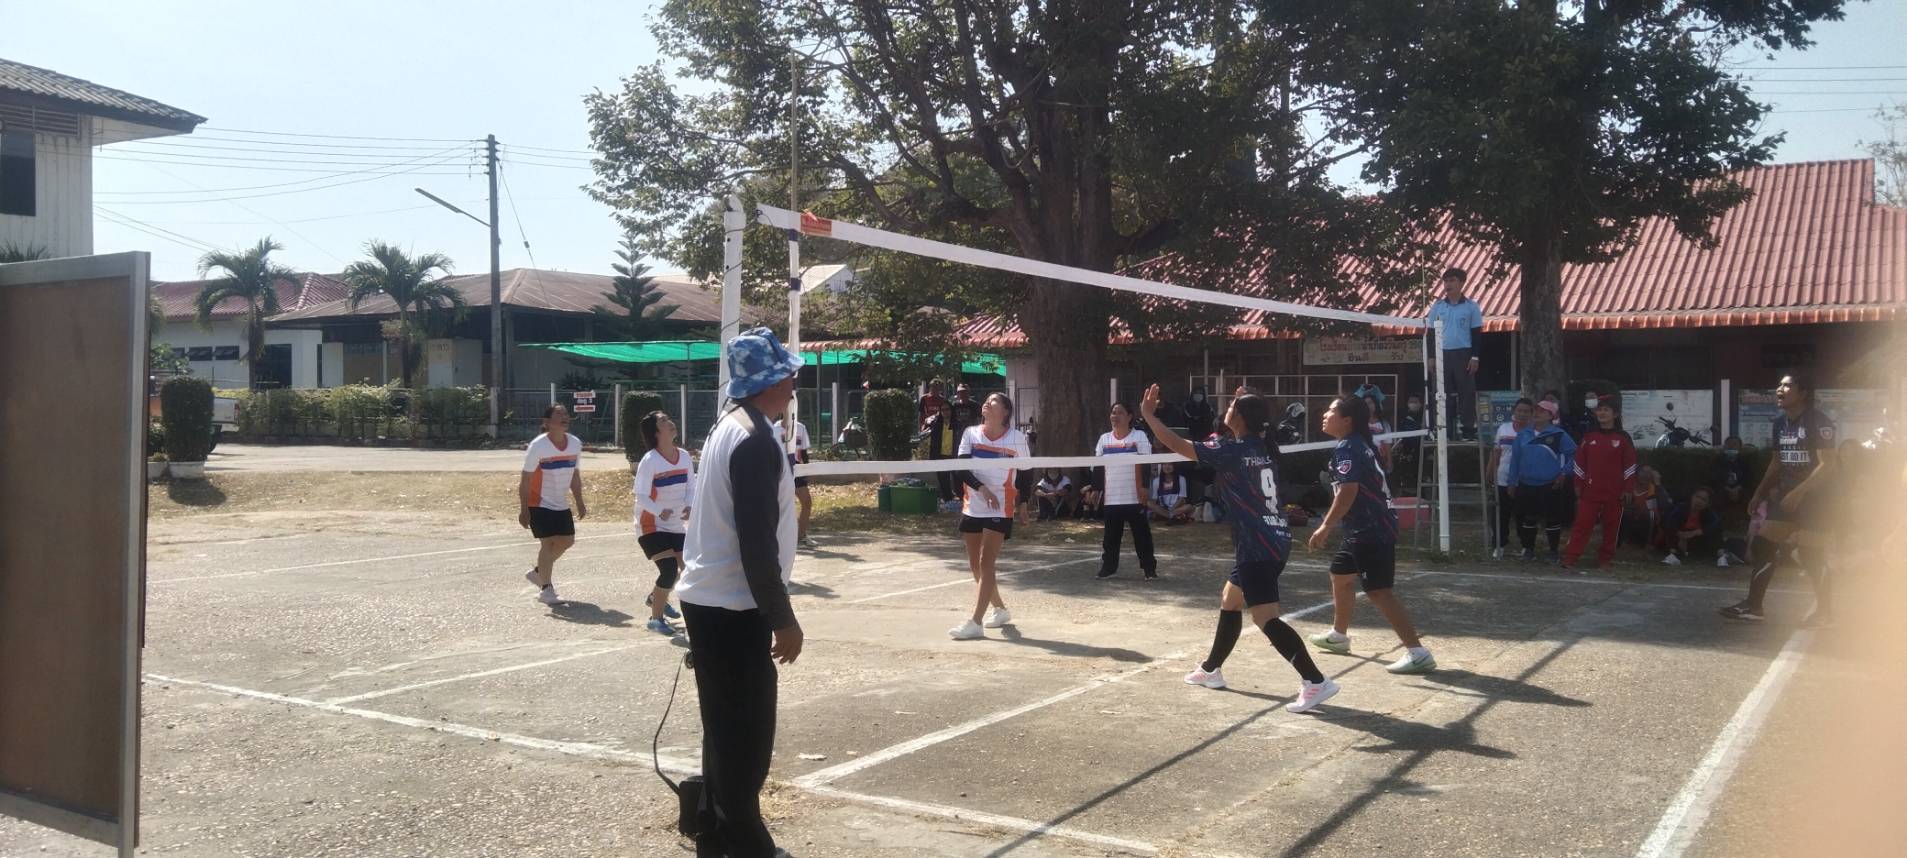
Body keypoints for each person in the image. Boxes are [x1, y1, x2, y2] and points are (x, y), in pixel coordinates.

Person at [674, 327, 804, 858]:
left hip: (715, 600)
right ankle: (747, 843)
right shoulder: (753, 439)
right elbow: (756, 543)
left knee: (723, 727)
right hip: (733, 605)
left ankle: (714, 832)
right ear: (770, 382)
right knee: (746, 738)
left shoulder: (730, 425)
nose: (793, 382)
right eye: (787, 374)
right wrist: (782, 618)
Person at [1139, 384, 1339, 712]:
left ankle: (1315, 680)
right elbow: (1241, 427)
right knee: (1230, 599)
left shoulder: (1233, 451)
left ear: (1242, 418)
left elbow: (1178, 445)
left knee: (1266, 618)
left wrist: (1149, 416)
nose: (1226, 409)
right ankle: (1211, 669)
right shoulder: (1263, 445)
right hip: (1273, 537)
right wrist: (1244, 400)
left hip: (1258, 545)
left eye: (1232, 406)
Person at [1307, 395, 1436, 675]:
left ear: (1347, 420)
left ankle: (1418, 652)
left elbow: (1347, 492)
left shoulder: (1349, 448)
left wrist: (1325, 526)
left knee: (1379, 591)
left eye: (1331, 411)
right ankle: (1339, 636)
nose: (1325, 415)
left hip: (1370, 529)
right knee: (1340, 574)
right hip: (1363, 527)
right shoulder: (1358, 444)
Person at [1721, 372, 1840, 626]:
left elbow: (1828, 464)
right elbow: (1776, 463)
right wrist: (1759, 493)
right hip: (1787, 496)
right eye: (1779, 385)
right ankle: (1754, 607)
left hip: (1817, 498)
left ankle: (1826, 614)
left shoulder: (1819, 421)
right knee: (1762, 544)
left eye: (1787, 385)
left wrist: (1800, 491)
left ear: (1803, 392)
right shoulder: (1780, 424)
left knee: (1810, 554)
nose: (1779, 389)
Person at [949, 392, 1031, 640]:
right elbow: (961, 468)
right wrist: (981, 488)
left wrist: (1023, 502)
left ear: (1005, 412)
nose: (986, 402)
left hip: (1001, 506)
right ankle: (1000, 609)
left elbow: (1026, 473)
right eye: (986, 400)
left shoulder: (1017, 439)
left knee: (986, 563)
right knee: (975, 565)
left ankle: (975, 622)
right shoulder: (970, 433)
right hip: (973, 504)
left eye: (993, 401)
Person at [519, 404, 587, 606]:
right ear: (547, 422)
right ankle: (546, 589)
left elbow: (575, 475)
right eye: (559, 414)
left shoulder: (575, 443)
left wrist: (580, 501)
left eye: (566, 413)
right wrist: (524, 510)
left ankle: (538, 572)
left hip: (560, 502)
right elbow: (525, 479)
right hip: (538, 502)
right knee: (547, 543)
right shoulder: (538, 446)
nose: (564, 417)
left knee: (567, 541)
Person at [634, 410, 694, 636]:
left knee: (687, 568)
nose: (670, 423)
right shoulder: (650, 460)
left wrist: (689, 505)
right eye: (664, 421)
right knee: (668, 569)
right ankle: (656, 619)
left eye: (669, 419)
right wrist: (660, 511)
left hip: (676, 525)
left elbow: (691, 487)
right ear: (656, 432)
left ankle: (656, 597)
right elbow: (641, 495)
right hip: (651, 525)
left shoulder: (684, 456)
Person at [1561, 394, 1636, 572]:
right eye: (1599, 410)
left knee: (1611, 528)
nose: (1602, 413)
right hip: (1590, 491)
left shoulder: (1623, 438)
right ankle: (1571, 557)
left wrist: (1628, 488)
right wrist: (1578, 484)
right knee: (1582, 525)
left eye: (1606, 410)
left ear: (1615, 414)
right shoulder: (1588, 437)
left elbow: (1630, 466)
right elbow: (1579, 463)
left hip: (1614, 492)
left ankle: (1605, 559)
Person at [1094, 401, 1158, 580]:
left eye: (1120, 413)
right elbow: (1097, 467)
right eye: (1113, 413)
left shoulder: (1139, 436)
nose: (1115, 416)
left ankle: (1149, 569)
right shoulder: (1104, 439)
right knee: (1110, 537)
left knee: (1142, 536)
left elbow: (1146, 463)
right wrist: (1096, 489)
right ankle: (1109, 568)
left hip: (1134, 496)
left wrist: (1145, 487)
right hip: (1112, 497)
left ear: (1129, 417)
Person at [1508, 400, 1577, 563]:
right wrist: (1512, 482)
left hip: (1550, 483)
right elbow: (1515, 460)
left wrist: (1565, 473)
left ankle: (1553, 551)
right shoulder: (1523, 434)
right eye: (1536, 410)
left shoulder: (1558, 434)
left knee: (1552, 519)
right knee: (1528, 519)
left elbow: (1575, 455)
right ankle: (1528, 550)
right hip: (1526, 483)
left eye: (1542, 411)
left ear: (1550, 416)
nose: (1537, 413)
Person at [1425, 266, 1483, 441]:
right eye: (1445, 281)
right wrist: (1431, 357)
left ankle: (1468, 430)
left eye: (1452, 280)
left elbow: (1476, 334)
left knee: (1466, 392)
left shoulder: (1471, 306)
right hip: (1441, 353)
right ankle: (1444, 430)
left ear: (1462, 283)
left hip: (1463, 353)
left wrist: (1475, 357)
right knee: (1441, 393)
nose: (1448, 284)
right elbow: (1430, 334)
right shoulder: (1438, 306)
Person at [1487, 399, 1534, 560]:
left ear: (1531, 414)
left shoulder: (1534, 432)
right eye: (1519, 410)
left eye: (1526, 411)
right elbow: (1496, 453)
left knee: (1523, 515)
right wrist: (1490, 473)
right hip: (1503, 478)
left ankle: (1527, 546)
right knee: (1500, 514)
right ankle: (1499, 545)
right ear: (1514, 411)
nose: (1522, 414)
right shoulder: (1504, 428)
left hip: (1525, 480)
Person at [779, 417, 817, 549]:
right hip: (780, 471)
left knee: (807, 502)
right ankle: (779, 537)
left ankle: (801, 536)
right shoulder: (773, 428)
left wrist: (807, 471)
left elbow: (804, 452)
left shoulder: (801, 427)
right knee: (781, 505)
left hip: (797, 470)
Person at [1662, 487, 1723, 566]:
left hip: (1697, 540)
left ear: (1708, 504)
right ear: (1692, 497)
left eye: (1703, 500)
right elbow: (1668, 522)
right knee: (1670, 535)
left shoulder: (1709, 514)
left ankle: (1722, 556)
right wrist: (1680, 534)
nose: (1699, 501)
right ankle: (1673, 555)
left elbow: (1716, 524)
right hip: (1679, 539)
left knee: (1716, 535)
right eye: (1697, 497)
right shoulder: (1681, 508)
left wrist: (1698, 532)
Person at [922, 400, 961, 510]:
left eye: (947, 409)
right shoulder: (936, 424)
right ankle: (948, 502)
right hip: (941, 456)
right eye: (942, 410)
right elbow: (929, 438)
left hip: (955, 456)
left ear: (951, 410)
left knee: (958, 480)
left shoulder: (958, 424)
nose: (945, 412)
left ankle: (961, 500)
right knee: (943, 481)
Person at [1622, 467, 1670, 548]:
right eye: (1643, 472)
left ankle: (1647, 543)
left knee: (1649, 515)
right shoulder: (1629, 488)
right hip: (1630, 524)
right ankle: (1624, 540)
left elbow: (1665, 504)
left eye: (1648, 473)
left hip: (1647, 527)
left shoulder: (1654, 490)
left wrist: (1658, 483)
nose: (1645, 476)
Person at [1354, 384, 1393, 471]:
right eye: (1366, 403)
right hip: (1363, 461)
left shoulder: (1384, 424)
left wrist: (1389, 461)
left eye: (1371, 403)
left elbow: (1387, 443)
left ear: (1376, 404)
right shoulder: (1358, 424)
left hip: (1380, 460)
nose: (1369, 406)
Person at [1713, 435, 1750, 510]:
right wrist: (1728, 489)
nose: (1731, 447)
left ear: (1740, 448)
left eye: (1735, 444)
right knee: (1719, 497)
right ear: (1724, 447)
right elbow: (1714, 478)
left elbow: (1748, 478)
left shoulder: (1743, 461)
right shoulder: (1718, 461)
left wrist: (1737, 488)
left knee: (1747, 498)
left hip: (1739, 489)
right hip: (1722, 489)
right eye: (1729, 444)